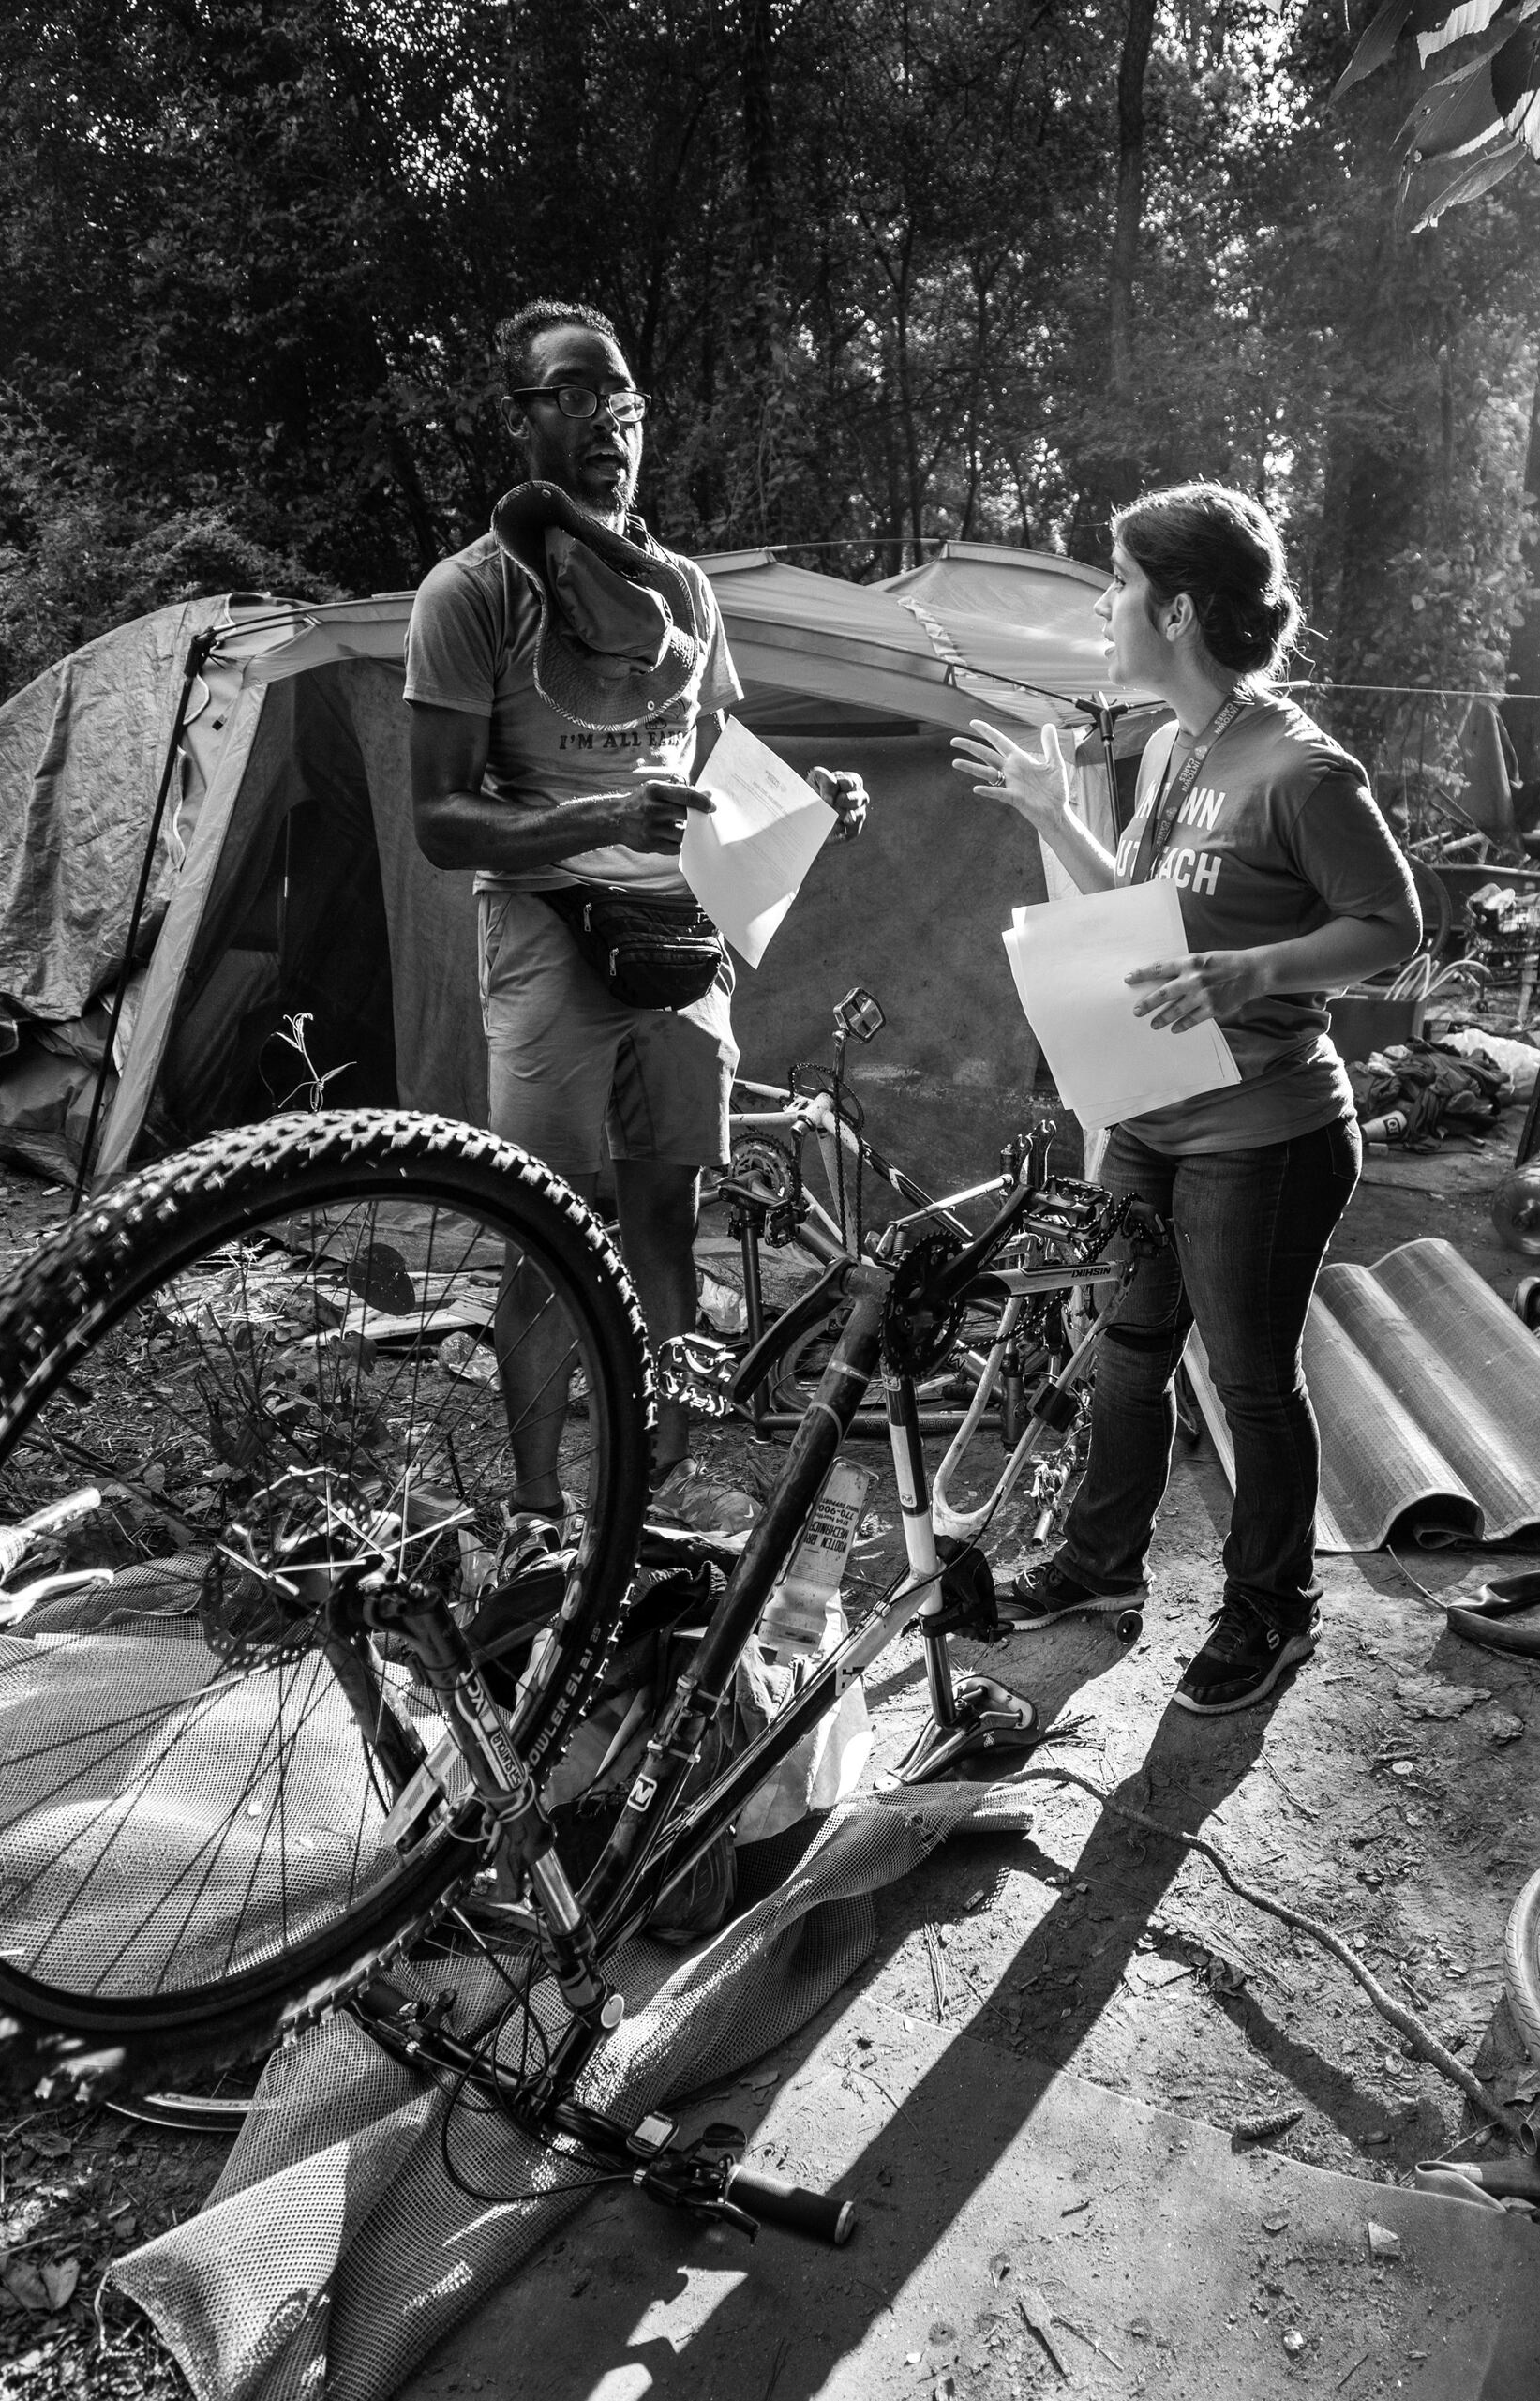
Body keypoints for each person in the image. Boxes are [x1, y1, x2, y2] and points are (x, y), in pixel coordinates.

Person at [951, 483, 1422, 1714]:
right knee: (1126, 1354)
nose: (1103, 605)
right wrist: (1058, 811)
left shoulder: (1301, 767)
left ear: (1174, 606)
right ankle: (1101, 1566)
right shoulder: (1169, 743)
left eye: (1114, 583)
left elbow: (1395, 926)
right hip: (1155, 1108)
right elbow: (1150, 913)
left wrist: (1257, 969)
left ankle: (1273, 1609)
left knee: (1252, 1379)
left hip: (1267, 1129)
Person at [407, 299, 867, 1546]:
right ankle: (542, 1509)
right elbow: (441, 821)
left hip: (685, 941)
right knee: (546, 1226)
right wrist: (588, 820)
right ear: (525, 418)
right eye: (577, 398)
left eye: (627, 404)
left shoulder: (687, 593)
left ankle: (659, 1481)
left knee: (670, 1215)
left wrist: (808, 802)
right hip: (552, 941)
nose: (610, 425)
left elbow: (714, 760)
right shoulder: (470, 595)